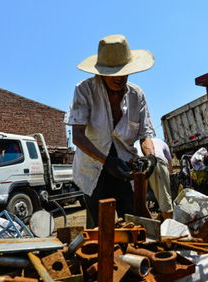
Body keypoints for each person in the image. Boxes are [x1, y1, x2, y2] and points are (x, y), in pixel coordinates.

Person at [64, 34, 156, 228]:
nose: (120, 77)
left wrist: (150, 157)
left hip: (125, 168)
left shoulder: (136, 95)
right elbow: (78, 137)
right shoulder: (84, 90)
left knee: (134, 225)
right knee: (99, 231)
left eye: (124, 72)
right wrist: (107, 161)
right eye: (114, 73)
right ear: (101, 72)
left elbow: (145, 134)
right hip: (93, 170)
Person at [134, 138, 174, 220]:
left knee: (139, 202)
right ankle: (168, 225)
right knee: (165, 201)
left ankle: (144, 226)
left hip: (139, 164)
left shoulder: (137, 143)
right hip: (155, 161)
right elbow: (169, 164)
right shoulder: (162, 143)